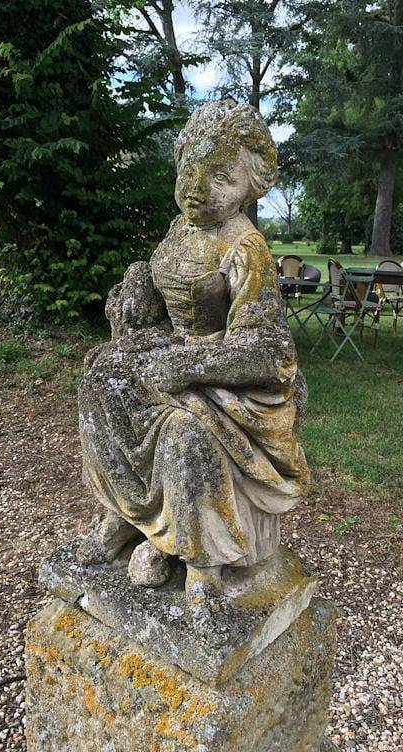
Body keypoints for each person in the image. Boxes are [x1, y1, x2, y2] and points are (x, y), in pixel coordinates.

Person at [77, 100, 310, 601]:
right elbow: (165, 310)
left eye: (220, 177)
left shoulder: (244, 245)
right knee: (100, 382)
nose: (197, 189)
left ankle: (201, 559)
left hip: (223, 374)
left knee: (185, 433)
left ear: (250, 187)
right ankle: (128, 515)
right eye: (189, 170)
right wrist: (140, 295)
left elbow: (267, 348)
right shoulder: (180, 230)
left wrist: (187, 366)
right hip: (173, 351)